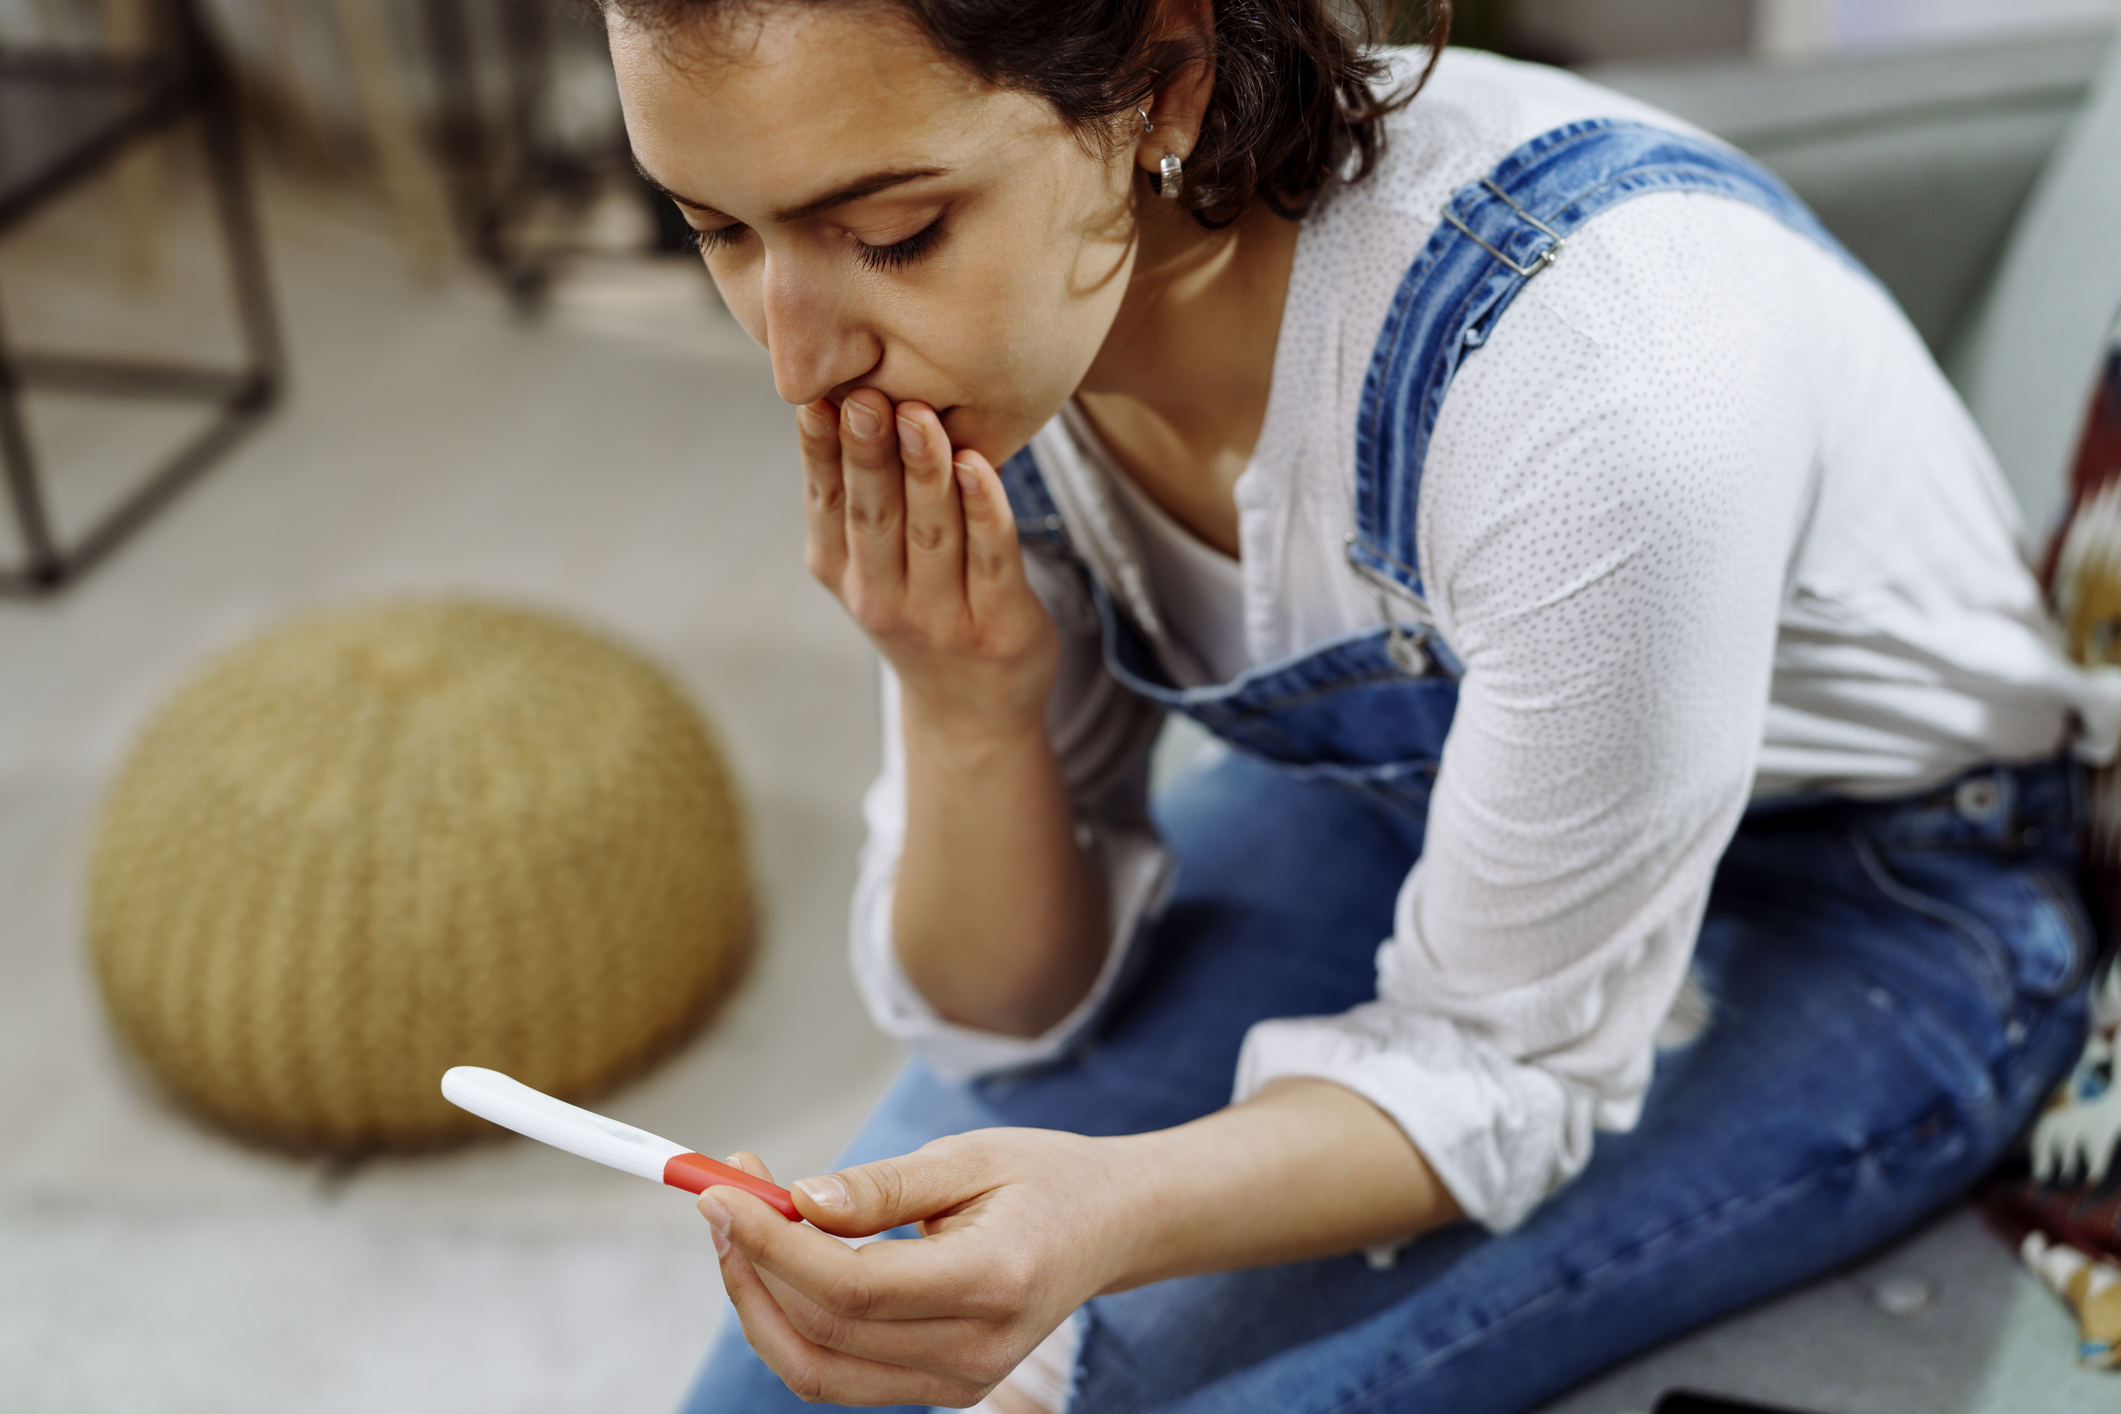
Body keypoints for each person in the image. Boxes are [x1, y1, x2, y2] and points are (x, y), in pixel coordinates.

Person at [605, 2, 2110, 1409]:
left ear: (1165, 81)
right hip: (1402, 803)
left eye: (892, 232)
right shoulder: (994, 364)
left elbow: (1497, 1065)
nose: (797, 356)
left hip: (1870, 897)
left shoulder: (1596, 397)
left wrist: (1106, 1221)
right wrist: (961, 701)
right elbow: (1006, 1009)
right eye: (717, 233)